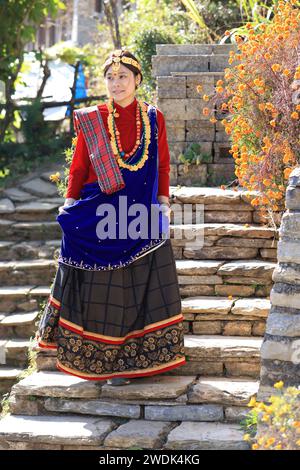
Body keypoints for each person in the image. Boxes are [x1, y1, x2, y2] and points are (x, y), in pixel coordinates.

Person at [36, 48, 186, 386]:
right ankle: (98, 364)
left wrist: (163, 201)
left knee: (135, 288)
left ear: (137, 80)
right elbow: (79, 166)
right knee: (102, 291)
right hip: (97, 214)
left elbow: (161, 163)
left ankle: (131, 363)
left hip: (138, 215)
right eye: (110, 77)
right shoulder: (93, 118)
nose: (116, 83)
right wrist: (70, 202)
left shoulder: (152, 117)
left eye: (122, 76)